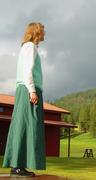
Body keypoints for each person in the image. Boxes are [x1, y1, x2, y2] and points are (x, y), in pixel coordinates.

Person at [2, 22, 46, 177]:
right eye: (43, 30)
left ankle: (18, 165)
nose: (44, 33)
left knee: (23, 125)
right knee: (26, 126)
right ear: (36, 32)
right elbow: (28, 70)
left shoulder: (26, 47)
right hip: (29, 90)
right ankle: (17, 166)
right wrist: (32, 91)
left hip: (25, 89)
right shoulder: (30, 47)